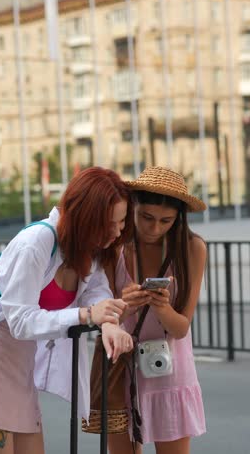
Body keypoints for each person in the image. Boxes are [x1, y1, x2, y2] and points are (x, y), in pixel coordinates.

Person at [0, 166, 134, 454]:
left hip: (18, 363)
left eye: (122, 222)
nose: (117, 233)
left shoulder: (83, 247)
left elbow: (97, 291)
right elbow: (20, 320)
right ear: (86, 217)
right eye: (110, 224)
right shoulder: (36, 243)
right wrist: (85, 315)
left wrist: (108, 323)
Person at [107, 166, 207, 454]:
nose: (154, 228)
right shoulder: (115, 247)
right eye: (146, 217)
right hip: (122, 368)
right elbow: (104, 320)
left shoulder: (192, 248)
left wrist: (162, 307)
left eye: (166, 221)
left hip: (171, 371)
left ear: (178, 219)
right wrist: (124, 306)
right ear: (132, 207)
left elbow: (181, 328)